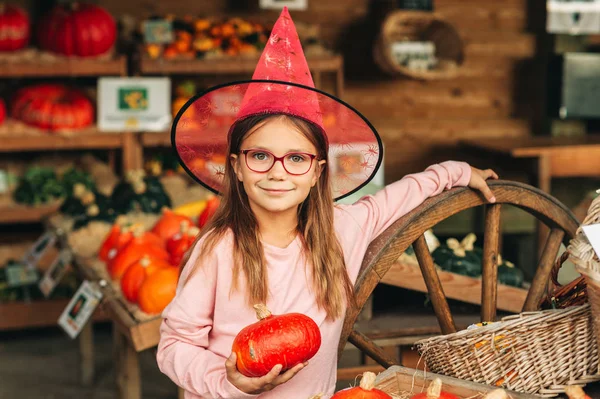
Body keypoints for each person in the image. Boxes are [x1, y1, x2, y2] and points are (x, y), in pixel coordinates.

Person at [157, 7, 498, 399]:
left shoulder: (344, 228)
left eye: (297, 158)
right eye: (260, 155)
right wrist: (227, 381)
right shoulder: (219, 249)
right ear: (236, 166)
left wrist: (457, 172)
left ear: (319, 170)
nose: (278, 172)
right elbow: (174, 345)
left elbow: (404, 192)